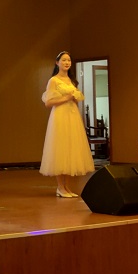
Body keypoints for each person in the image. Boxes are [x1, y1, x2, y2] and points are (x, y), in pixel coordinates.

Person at [40, 51, 95, 197]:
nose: (67, 63)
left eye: (69, 60)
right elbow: (48, 102)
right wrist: (67, 98)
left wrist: (75, 98)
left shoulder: (71, 80)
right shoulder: (53, 80)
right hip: (60, 116)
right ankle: (60, 187)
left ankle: (67, 187)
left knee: (71, 150)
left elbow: (75, 100)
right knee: (60, 149)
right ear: (57, 63)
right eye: (64, 60)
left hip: (72, 116)